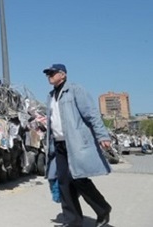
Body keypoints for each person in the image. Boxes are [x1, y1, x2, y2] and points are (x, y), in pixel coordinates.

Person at [43, 63, 112, 227]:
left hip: (75, 142)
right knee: (64, 182)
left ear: (63, 74)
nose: (49, 76)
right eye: (48, 74)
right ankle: (72, 221)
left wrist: (102, 135)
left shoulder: (75, 90)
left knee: (79, 179)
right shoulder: (50, 96)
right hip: (58, 144)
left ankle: (102, 209)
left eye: (52, 73)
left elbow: (91, 114)